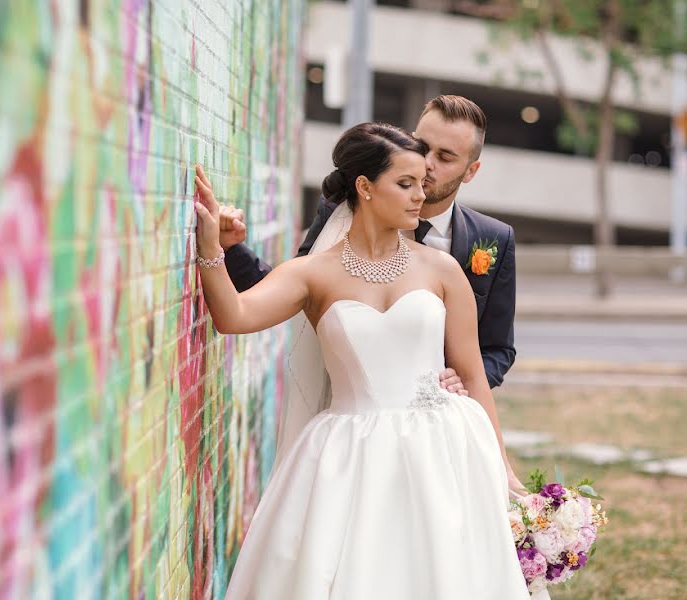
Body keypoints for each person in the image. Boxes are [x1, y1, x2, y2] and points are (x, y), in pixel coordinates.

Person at [192, 123, 529, 598]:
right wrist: (212, 248)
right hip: (350, 456)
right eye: (406, 184)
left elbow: (472, 374)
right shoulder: (313, 273)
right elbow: (235, 316)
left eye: (423, 184)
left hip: (445, 450)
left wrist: (503, 470)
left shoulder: (443, 269)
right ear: (366, 188)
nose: (420, 196)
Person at [220, 95, 516, 393]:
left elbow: (498, 348)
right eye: (422, 147)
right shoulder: (344, 211)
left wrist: (462, 378)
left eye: (445, 157)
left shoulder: (494, 240)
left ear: (471, 171)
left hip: (440, 418)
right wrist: (230, 250)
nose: (427, 164)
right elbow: (294, 289)